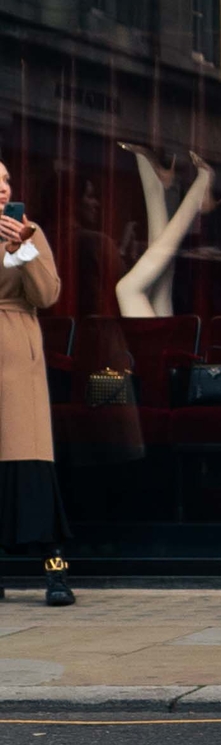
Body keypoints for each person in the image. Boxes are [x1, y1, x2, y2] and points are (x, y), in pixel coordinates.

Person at [0, 161, 73, 604]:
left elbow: (48, 295)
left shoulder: (31, 232)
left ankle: (55, 570)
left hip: (16, 354)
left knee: (28, 460)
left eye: (6, 181)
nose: (4, 189)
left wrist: (23, 250)